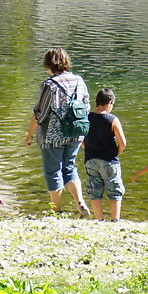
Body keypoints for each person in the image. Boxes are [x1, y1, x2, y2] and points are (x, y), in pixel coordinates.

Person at [28, 47, 94, 216]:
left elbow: (40, 114)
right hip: (76, 132)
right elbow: (86, 107)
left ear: (49, 65)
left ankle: (57, 211)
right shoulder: (79, 81)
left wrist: (30, 135)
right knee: (69, 167)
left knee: (53, 171)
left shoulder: (49, 85)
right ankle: (80, 202)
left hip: (52, 136)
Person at [82, 87, 128, 221]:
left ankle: (99, 220)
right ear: (109, 103)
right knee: (115, 190)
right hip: (109, 160)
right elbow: (123, 143)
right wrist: (115, 153)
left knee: (95, 191)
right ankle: (115, 220)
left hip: (90, 159)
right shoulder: (112, 120)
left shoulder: (86, 118)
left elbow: (80, 140)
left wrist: (88, 149)